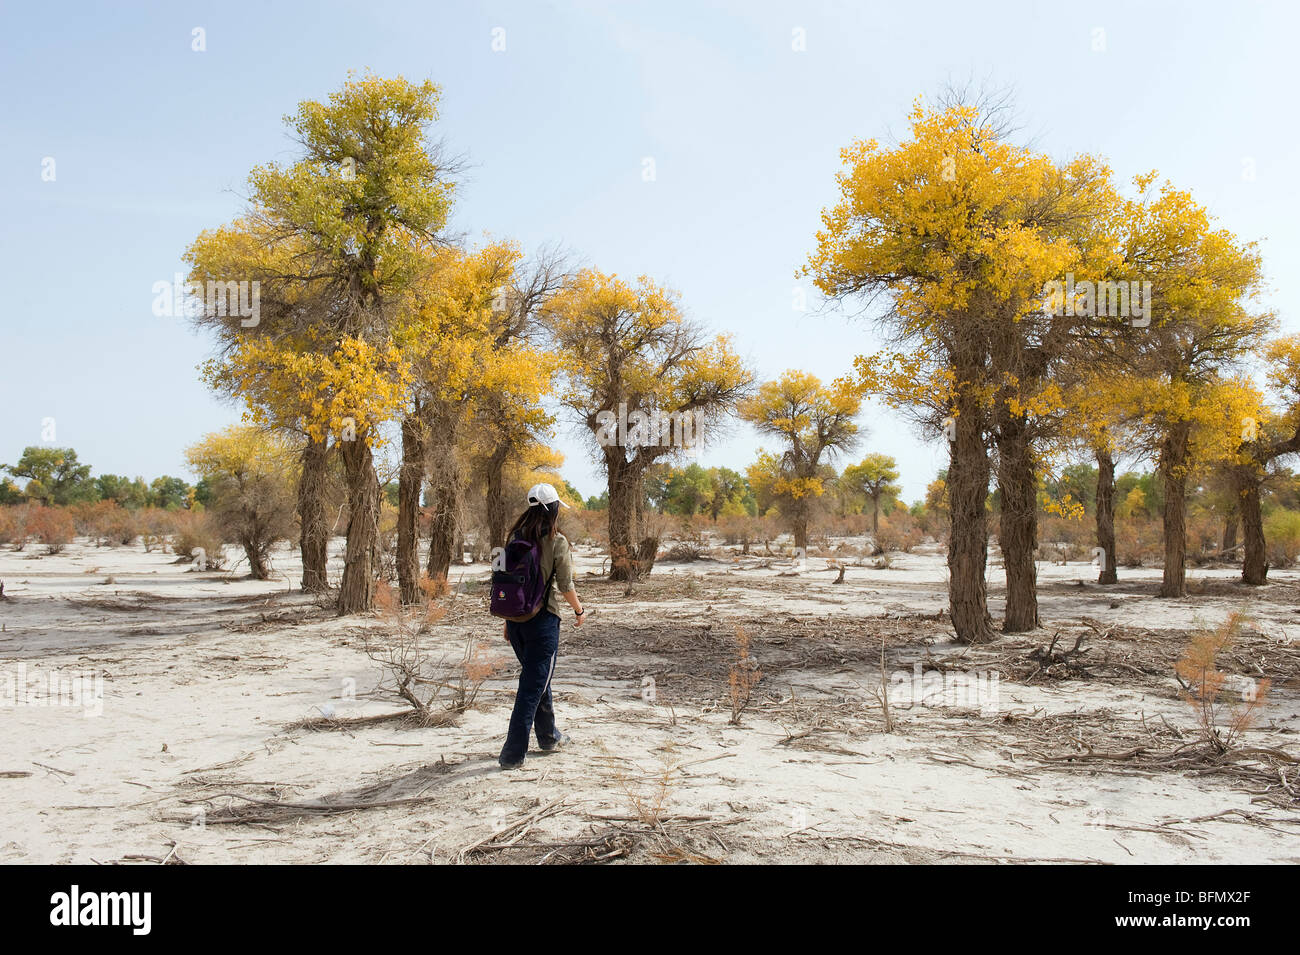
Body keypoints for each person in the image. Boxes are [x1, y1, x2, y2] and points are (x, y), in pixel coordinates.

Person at [498, 483, 586, 769]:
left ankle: (548, 736)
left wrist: (508, 622)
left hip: (516, 623)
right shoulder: (556, 541)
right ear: (554, 509)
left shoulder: (514, 539)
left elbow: (506, 583)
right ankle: (513, 753)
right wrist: (579, 610)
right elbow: (565, 585)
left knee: (538, 681)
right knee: (531, 686)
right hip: (543, 623)